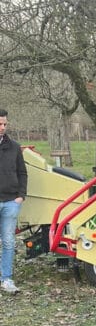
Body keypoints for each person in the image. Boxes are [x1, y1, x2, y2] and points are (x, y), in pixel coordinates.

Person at [0, 109, 27, 294]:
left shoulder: (14, 147)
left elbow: (22, 173)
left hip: (11, 201)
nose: (2, 128)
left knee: (9, 242)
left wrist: (20, 196)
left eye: (5, 124)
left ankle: (6, 279)